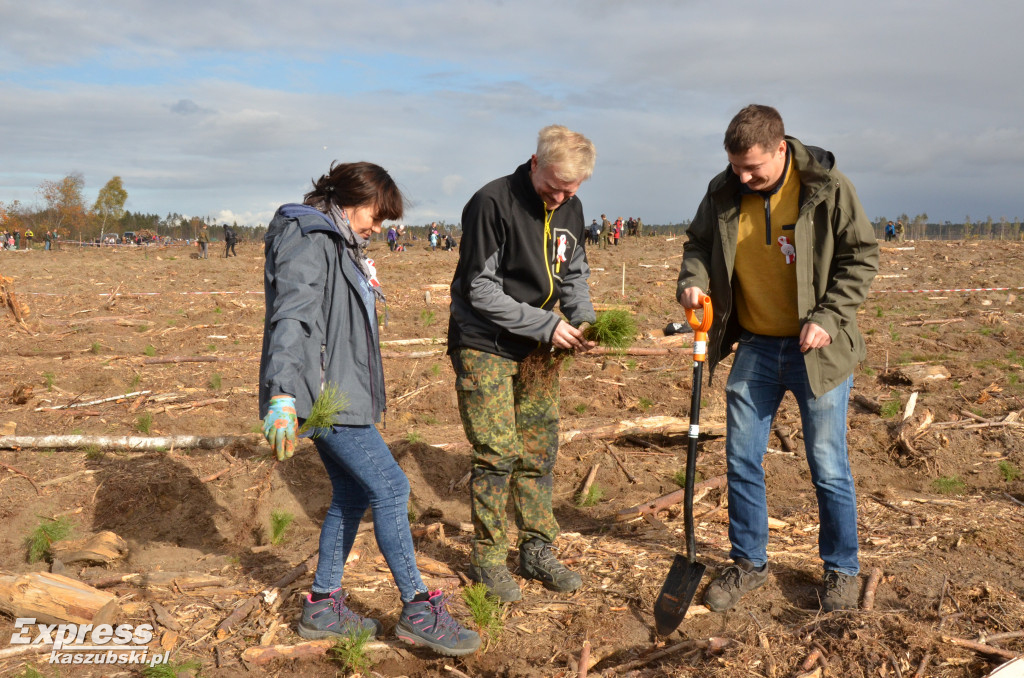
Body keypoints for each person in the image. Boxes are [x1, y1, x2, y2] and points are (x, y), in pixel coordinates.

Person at [259, 161, 480, 656]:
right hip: (323, 396)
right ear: (352, 200)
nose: (379, 228)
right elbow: (291, 316)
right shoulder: (308, 236)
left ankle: (322, 604)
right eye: (377, 216)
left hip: (342, 391)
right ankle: (419, 609)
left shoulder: (339, 240)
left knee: (352, 496)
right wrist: (281, 393)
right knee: (391, 486)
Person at [676, 104, 878, 612]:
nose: (743, 177)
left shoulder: (828, 188)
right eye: (736, 167)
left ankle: (841, 570)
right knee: (742, 457)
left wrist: (829, 317)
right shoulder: (724, 191)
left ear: (781, 149)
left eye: (753, 169)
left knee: (827, 464)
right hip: (758, 345)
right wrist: (693, 282)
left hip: (820, 350)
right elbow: (699, 243)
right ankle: (748, 564)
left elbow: (861, 256)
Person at [448, 124, 597, 603]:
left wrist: (584, 320)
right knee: (496, 452)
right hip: (484, 341)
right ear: (534, 163)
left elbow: (572, 272)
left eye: (568, 191)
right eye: (551, 187)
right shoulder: (492, 202)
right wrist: (545, 325)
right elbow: (480, 289)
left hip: (537, 348)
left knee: (538, 450)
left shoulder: (571, 207)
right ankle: (488, 559)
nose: (557, 199)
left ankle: (537, 549)